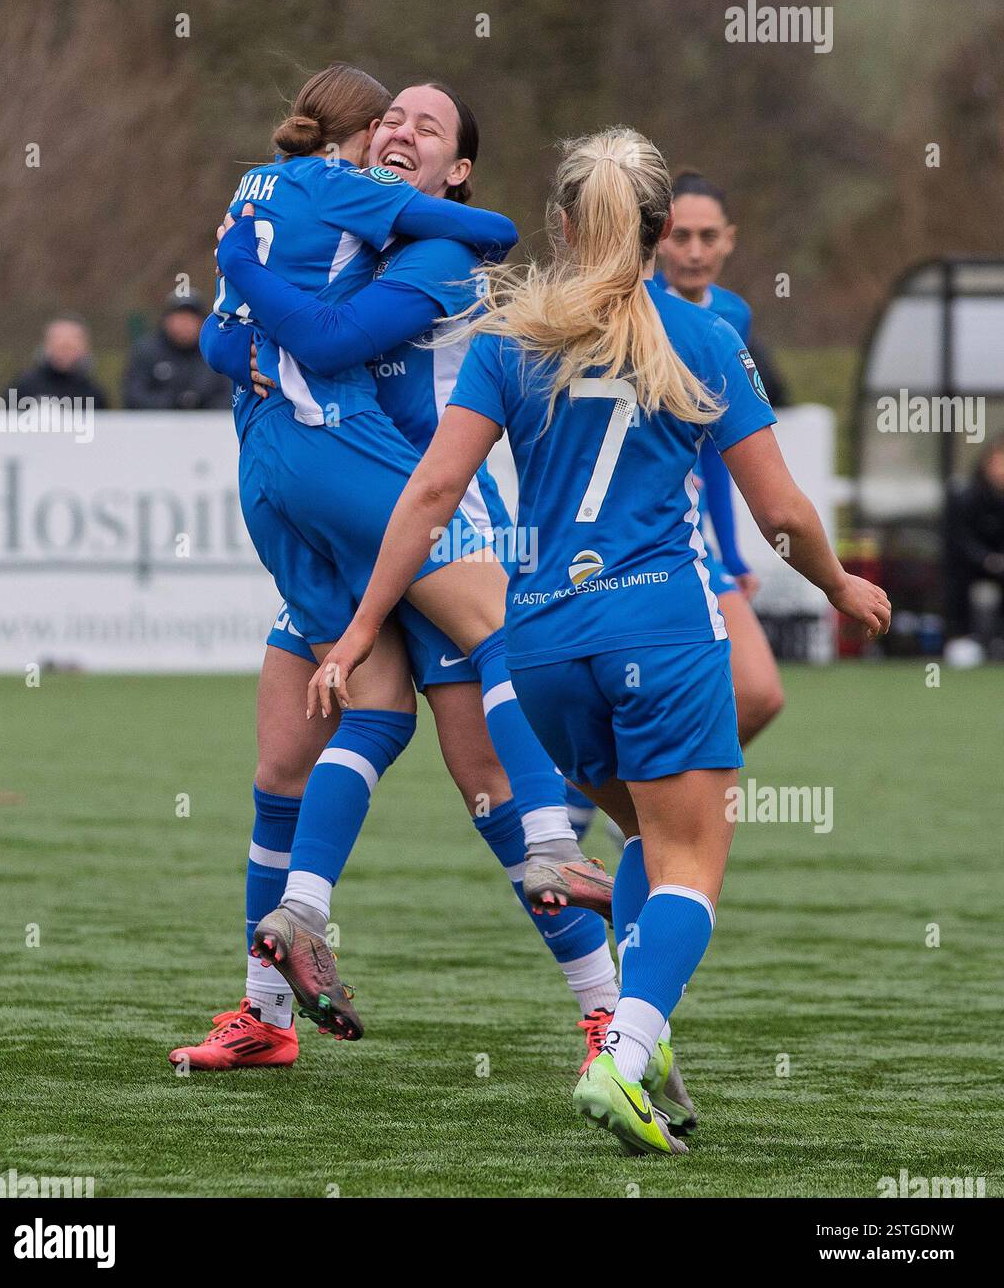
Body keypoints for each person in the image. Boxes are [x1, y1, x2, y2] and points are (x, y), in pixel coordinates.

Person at [309, 127, 891, 1154]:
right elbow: (780, 513)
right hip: (657, 625)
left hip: (537, 647)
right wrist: (839, 582)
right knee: (690, 863)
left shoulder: (508, 338)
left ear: (561, 225)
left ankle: (640, 1034)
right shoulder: (697, 337)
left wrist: (358, 628)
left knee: (636, 836)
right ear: (663, 232)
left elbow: (432, 492)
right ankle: (621, 1055)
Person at [172, 81, 626, 1089]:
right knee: (285, 757)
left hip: (427, 519)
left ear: (454, 171)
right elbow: (227, 332)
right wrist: (239, 314)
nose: (399, 131)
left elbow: (319, 340)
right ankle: (265, 1009)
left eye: (427, 127)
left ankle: (604, 1015)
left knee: (489, 795)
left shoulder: (432, 250)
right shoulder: (336, 226)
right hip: (346, 529)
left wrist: (246, 292)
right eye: (390, 118)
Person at [655, 170, 786, 747]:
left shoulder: (733, 315)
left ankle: (633, 802)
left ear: (730, 239)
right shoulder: (627, 310)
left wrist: (730, 553)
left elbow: (716, 448)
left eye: (709, 237)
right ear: (657, 237)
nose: (695, 251)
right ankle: (601, 807)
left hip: (693, 541)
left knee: (758, 694)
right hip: (631, 534)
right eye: (681, 236)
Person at [943, 434, 1004, 659]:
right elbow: (960, 541)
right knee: (958, 578)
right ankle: (962, 637)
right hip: (971, 568)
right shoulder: (967, 498)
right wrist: (987, 560)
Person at [123, 290, 230, 409]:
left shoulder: (216, 352)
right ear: (166, 320)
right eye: (180, 318)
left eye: (190, 318)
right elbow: (133, 395)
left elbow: (228, 394)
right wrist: (173, 403)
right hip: (157, 424)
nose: (185, 324)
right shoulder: (146, 351)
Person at [8, 315, 109, 408]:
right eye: (60, 346)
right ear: (46, 346)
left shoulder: (93, 392)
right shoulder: (24, 386)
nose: (65, 353)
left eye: (71, 347)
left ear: (84, 348)